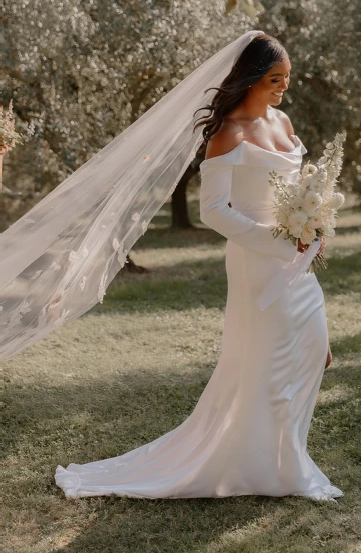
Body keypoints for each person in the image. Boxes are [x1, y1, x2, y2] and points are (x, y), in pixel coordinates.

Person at [54, 33, 343, 501]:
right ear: (250, 78)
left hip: (297, 260)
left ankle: (284, 457)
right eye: (274, 79)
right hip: (259, 260)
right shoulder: (229, 133)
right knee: (268, 364)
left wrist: (313, 222)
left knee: (313, 351)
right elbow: (213, 210)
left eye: (287, 79)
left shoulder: (284, 120)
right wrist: (277, 240)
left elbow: (298, 190)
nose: (283, 88)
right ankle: (274, 471)